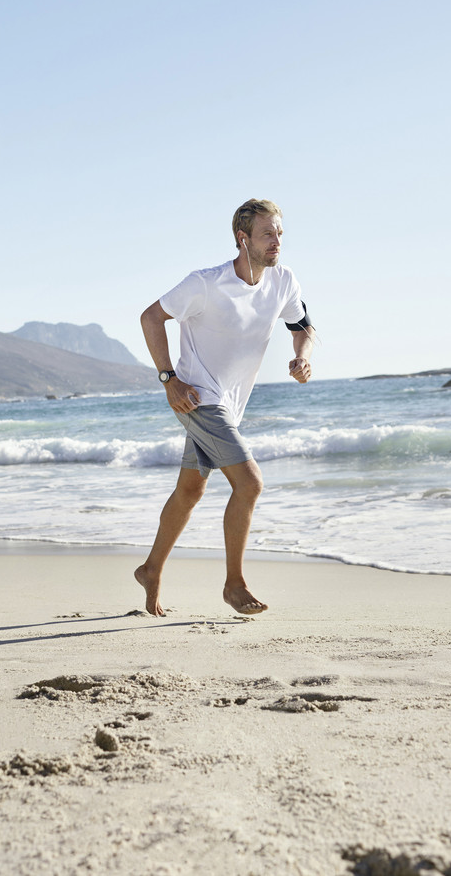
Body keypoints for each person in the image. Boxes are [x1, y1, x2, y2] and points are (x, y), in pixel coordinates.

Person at [134, 198, 314, 616]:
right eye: (267, 234)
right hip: (196, 398)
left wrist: (302, 356)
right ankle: (234, 584)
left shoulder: (283, 281)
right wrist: (168, 380)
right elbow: (150, 318)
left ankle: (151, 569)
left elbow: (302, 325)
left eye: (280, 234)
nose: (276, 242)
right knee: (249, 483)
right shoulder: (205, 284)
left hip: (230, 405)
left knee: (191, 489)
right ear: (242, 238)